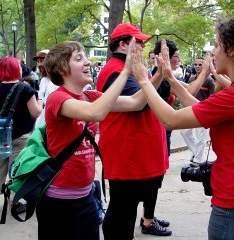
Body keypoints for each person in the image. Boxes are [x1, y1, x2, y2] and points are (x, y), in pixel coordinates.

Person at [131, 17, 234, 239]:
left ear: (233, 51)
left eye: (217, 45)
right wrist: (169, 77)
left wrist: (143, 80)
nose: (212, 52)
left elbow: (170, 119)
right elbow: (203, 110)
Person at [37, 38, 150, 240]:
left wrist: (161, 74)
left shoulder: (91, 96)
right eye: (79, 58)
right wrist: (125, 71)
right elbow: (95, 113)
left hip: (87, 198)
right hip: (58, 203)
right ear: (62, 69)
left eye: (86, 57)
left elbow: (137, 102)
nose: (88, 62)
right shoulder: (57, 98)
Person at [96, 23, 171, 239]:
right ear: (122, 45)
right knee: (122, 207)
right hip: (127, 152)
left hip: (135, 152)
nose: (142, 46)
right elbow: (139, 102)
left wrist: (160, 74)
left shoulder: (127, 69)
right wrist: (159, 73)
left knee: (128, 206)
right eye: (137, 42)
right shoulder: (115, 70)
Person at [0, 57, 43, 212]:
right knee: (16, 170)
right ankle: (14, 202)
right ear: (18, 70)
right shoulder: (26, 89)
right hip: (20, 137)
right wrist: (40, 101)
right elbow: (36, 112)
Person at [180, 57, 214, 166]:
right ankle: (197, 153)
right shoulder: (191, 79)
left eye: (200, 64)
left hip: (203, 111)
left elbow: (212, 97)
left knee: (201, 136)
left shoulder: (209, 80)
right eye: (196, 64)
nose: (197, 66)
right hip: (191, 110)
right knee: (184, 132)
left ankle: (198, 159)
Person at [33, 49, 58, 127]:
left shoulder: (59, 80)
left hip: (53, 124)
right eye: (38, 61)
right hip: (41, 124)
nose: (39, 65)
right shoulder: (43, 80)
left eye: (42, 61)